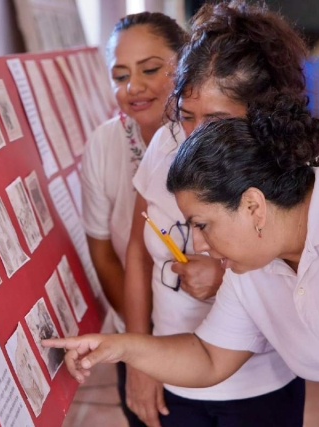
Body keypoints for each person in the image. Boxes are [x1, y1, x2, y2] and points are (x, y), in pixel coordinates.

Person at [43, 93, 319, 426]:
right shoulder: (251, 263)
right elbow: (209, 357)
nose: (199, 244)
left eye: (202, 225)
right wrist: (119, 347)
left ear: (253, 207)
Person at [121, 3, 310, 426]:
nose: (197, 134)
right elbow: (137, 248)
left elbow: (310, 277)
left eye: (218, 119)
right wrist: (140, 359)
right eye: (188, 117)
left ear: (263, 111)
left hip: (260, 383)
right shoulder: (167, 144)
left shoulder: (293, 160)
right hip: (171, 374)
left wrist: (226, 276)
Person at [79, 12, 187, 427]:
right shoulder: (106, 143)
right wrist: (141, 345)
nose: (133, 87)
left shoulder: (207, 133)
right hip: (136, 324)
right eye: (120, 75)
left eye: (151, 69)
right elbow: (103, 250)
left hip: (211, 331)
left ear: (184, 64)